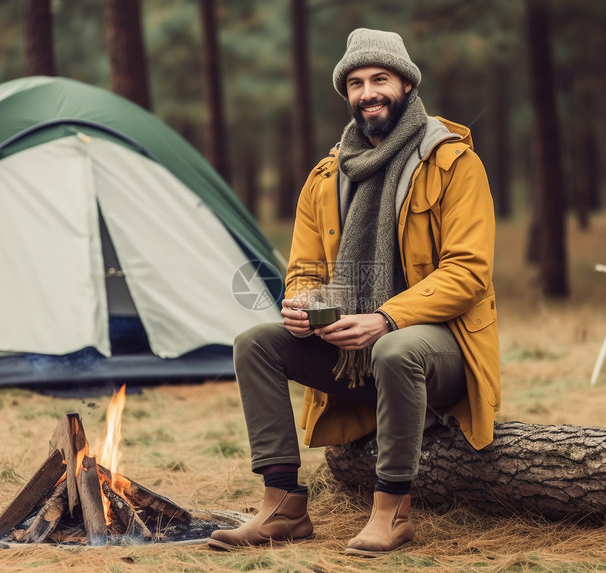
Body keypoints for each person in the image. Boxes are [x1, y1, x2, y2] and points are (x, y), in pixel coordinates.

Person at [208, 28, 500, 556]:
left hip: (441, 354)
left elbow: (468, 272)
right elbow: (302, 270)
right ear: (346, 94)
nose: (368, 92)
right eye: (356, 82)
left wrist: (385, 318)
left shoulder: (455, 164)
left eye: (380, 79)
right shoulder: (326, 177)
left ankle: (392, 512)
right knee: (257, 343)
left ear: (406, 85)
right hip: (354, 356)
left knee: (395, 347)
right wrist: (301, 306)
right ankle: (283, 507)